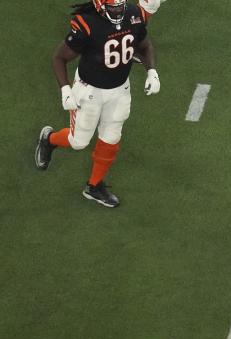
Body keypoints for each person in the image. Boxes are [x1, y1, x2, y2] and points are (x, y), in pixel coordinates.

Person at [35, 0, 161, 207]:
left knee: (111, 137)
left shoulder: (133, 13)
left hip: (120, 89)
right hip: (89, 90)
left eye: (120, 5)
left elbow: (144, 45)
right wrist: (65, 90)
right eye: (113, 7)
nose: (118, 10)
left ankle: (94, 186)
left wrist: (152, 72)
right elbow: (59, 58)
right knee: (79, 142)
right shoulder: (87, 23)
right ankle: (49, 139)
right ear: (100, 6)